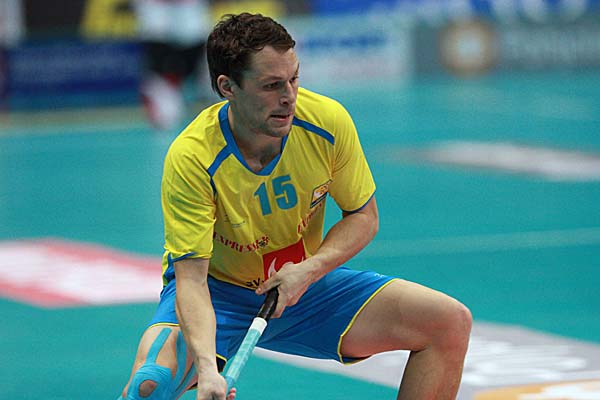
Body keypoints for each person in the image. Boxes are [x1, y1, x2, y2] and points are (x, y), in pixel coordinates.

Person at [117, 13, 472, 400]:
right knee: (151, 385)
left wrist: (310, 270)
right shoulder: (193, 157)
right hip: (218, 295)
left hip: (303, 288)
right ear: (227, 87)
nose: (288, 97)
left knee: (448, 322)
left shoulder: (326, 122)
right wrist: (207, 370)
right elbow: (191, 279)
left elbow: (363, 216)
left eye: (294, 79)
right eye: (271, 85)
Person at [133, 0, 212, 131]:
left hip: (191, 15)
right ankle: (161, 91)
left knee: (216, 87)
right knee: (167, 117)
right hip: (156, 13)